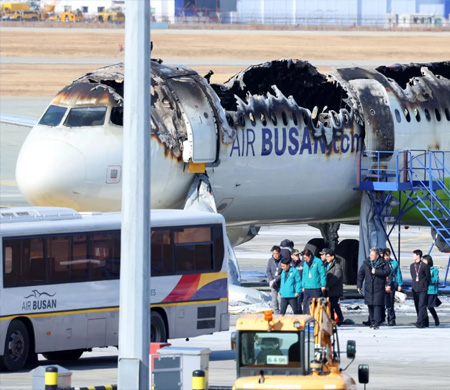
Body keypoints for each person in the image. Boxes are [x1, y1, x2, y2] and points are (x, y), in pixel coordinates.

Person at [357, 248, 391, 329]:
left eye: (373, 255)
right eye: (370, 255)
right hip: (369, 287)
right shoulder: (366, 263)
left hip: (378, 287)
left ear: (377, 256)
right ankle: (371, 321)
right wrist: (359, 285)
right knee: (370, 305)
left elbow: (387, 272)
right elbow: (361, 274)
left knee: (377, 305)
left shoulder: (383, 263)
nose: (371, 256)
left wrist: (376, 272)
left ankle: (376, 322)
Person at [410, 249, 431, 328]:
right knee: (417, 305)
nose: (413, 256)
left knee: (422, 305)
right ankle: (423, 320)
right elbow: (413, 276)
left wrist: (425, 285)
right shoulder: (412, 266)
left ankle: (420, 321)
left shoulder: (425, 266)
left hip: (423, 288)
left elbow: (428, 278)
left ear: (418, 255)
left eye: (414, 254)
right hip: (415, 288)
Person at [301, 249, 326, 314]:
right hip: (307, 287)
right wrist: (303, 285)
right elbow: (304, 275)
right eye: (304, 258)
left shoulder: (318, 261)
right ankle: (305, 317)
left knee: (316, 304)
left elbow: (322, 274)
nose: (305, 259)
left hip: (315, 287)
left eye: (306, 257)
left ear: (310, 256)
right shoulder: (305, 263)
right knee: (305, 304)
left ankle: (317, 318)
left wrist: (323, 285)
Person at [324, 248, 344, 325]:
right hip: (328, 290)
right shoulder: (326, 265)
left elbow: (336, 276)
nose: (327, 258)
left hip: (335, 289)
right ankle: (331, 319)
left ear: (332, 257)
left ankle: (340, 318)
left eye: (328, 256)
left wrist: (328, 285)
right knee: (330, 305)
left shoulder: (337, 266)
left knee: (334, 304)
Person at [383, 248, 403, 326]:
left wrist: (400, 284)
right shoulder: (381, 263)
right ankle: (382, 318)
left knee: (390, 303)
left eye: (387, 255)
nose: (386, 257)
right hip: (382, 284)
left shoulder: (394, 263)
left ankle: (391, 319)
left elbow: (398, 274)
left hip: (392, 284)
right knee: (382, 303)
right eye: (385, 255)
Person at [422, 255, 440, 326]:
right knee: (423, 306)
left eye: (424, 260)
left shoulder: (434, 270)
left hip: (431, 290)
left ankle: (436, 318)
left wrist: (428, 279)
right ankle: (426, 321)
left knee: (430, 306)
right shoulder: (422, 268)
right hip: (424, 289)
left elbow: (436, 279)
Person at [266, 245, 283, 314]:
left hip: (280, 283)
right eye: (273, 254)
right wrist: (271, 279)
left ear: (279, 253)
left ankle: (282, 313)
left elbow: (283, 272)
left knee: (280, 299)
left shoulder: (283, 260)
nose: (275, 255)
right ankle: (276, 313)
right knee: (274, 300)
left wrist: (276, 279)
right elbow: (268, 270)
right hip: (273, 283)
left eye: (276, 253)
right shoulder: (270, 260)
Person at [290, 249, 304, 314]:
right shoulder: (289, 264)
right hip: (292, 287)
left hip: (299, 287)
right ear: (292, 256)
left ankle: (299, 317)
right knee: (293, 304)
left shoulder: (302, 264)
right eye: (295, 255)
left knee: (298, 303)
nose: (297, 256)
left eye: (298, 255)